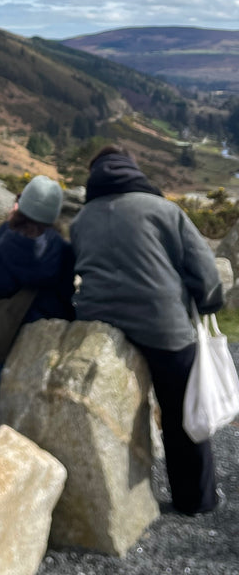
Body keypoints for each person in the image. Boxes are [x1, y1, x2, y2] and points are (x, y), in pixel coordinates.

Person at [70, 145, 224, 515]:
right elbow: (204, 270)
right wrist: (208, 303)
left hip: (101, 330)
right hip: (164, 327)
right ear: (133, 170)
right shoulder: (164, 210)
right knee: (181, 415)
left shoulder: (81, 220)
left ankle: (113, 504)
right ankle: (195, 500)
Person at [0, 175, 74, 437]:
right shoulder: (62, 249)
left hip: (6, 327)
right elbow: (66, 292)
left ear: (22, 205)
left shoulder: (4, 236)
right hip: (45, 330)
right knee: (35, 394)